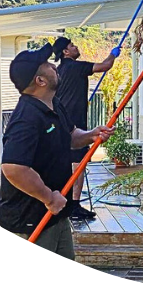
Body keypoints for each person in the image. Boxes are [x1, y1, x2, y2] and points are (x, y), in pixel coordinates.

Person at [0, 42, 114, 259]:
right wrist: (49, 197)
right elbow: (14, 168)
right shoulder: (26, 118)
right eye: (47, 65)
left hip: (56, 214)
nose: (54, 66)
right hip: (30, 221)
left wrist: (92, 135)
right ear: (40, 81)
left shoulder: (54, 104)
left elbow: (69, 137)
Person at [52, 35, 120, 221]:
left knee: (68, 165)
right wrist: (113, 54)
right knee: (78, 166)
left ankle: (64, 202)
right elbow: (105, 66)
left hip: (61, 121)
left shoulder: (59, 71)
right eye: (72, 45)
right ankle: (73, 206)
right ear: (66, 52)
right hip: (75, 126)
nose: (75, 47)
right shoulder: (76, 66)